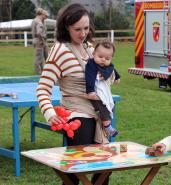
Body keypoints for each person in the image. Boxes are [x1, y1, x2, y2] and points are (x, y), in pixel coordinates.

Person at [36, 3, 110, 185]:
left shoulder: (90, 48)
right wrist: (50, 114)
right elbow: (43, 89)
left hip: (100, 114)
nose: (83, 33)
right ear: (66, 27)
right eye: (77, 29)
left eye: (86, 28)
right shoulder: (59, 51)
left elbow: (103, 76)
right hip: (77, 116)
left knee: (105, 167)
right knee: (76, 170)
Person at [85, 40, 120, 138]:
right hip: (95, 92)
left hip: (104, 91)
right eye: (100, 57)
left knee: (109, 105)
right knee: (102, 106)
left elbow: (112, 68)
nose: (103, 60)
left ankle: (107, 125)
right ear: (93, 53)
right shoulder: (91, 64)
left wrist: (117, 77)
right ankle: (108, 126)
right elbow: (89, 77)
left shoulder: (108, 65)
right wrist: (90, 91)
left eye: (107, 58)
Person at [31, 7, 49, 75]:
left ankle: (41, 71)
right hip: (40, 41)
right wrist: (43, 39)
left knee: (40, 57)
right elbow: (39, 33)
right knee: (38, 58)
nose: (46, 18)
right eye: (46, 16)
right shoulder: (38, 21)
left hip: (37, 40)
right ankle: (38, 72)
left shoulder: (35, 20)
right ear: (42, 14)